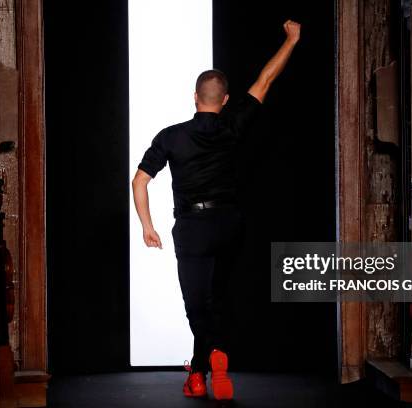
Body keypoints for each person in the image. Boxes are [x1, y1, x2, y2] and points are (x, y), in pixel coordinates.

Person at [131, 20, 301, 401]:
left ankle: (213, 354)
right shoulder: (233, 126)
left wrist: (147, 226)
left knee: (197, 305)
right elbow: (265, 80)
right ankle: (200, 371)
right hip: (230, 224)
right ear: (224, 101)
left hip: (192, 226)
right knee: (217, 299)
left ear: (195, 97)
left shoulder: (171, 136)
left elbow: (139, 181)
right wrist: (291, 40)